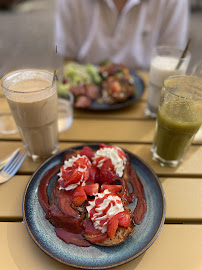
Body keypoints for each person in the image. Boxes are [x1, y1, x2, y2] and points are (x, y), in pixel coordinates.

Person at [55, 0, 189, 70]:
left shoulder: (173, 2)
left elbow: (173, 63)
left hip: (148, 93)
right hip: (87, 91)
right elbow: (68, 59)